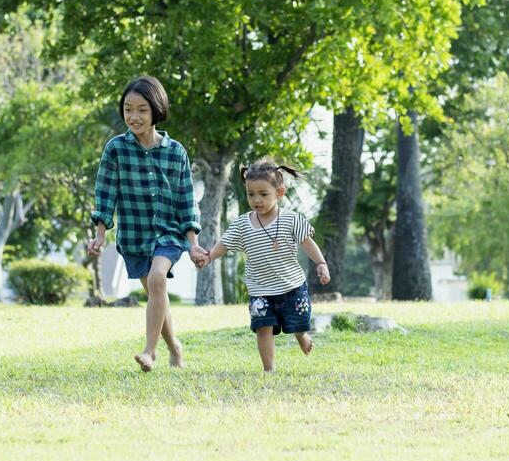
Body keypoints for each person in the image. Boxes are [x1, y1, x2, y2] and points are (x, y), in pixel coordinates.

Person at [87, 76, 208, 371]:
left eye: (141, 109)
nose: (134, 116)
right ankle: (174, 347)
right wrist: (100, 235)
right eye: (128, 109)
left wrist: (193, 243)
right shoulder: (115, 149)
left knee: (156, 280)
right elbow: (106, 193)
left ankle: (149, 352)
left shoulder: (175, 151)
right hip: (134, 236)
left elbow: (186, 198)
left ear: (156, 109)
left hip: (168, 234)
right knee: (157, 292)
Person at [196, 159, 331, 372]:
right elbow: (225, 243)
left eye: (263, 194)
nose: (256, 199)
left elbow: (307, 242)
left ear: (279, 192)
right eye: (251, 194)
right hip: (260, 290)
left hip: (291, 286)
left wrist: (321, 263)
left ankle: (300, 335)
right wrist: (209, 256)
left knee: (297, 321)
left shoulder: (291, 219)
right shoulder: (242, 224)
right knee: (263, 328)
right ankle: (269, 369)